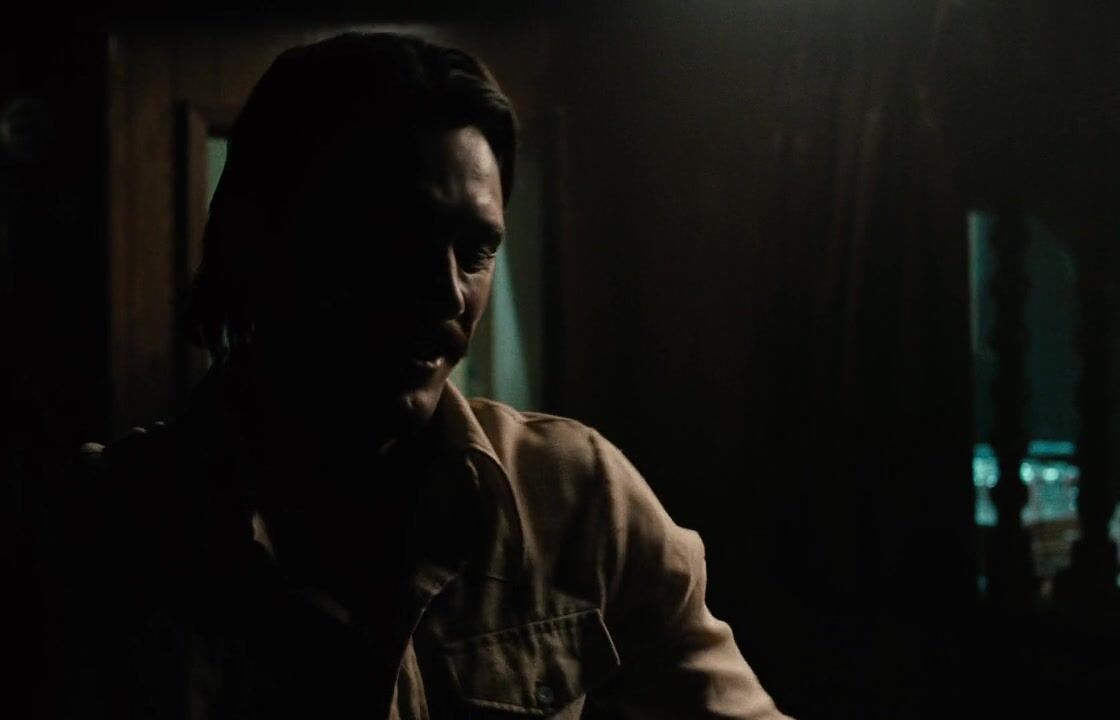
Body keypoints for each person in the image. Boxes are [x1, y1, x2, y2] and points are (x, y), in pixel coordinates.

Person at [67, 32, 790, 719]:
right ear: (268, 239)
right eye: (396, 239)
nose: (447, 293)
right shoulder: (109, 531)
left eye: (475, 250)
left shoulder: (575, 501)